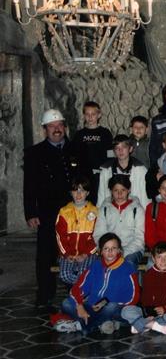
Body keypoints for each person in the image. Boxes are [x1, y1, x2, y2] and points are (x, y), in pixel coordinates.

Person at [24, 109, 88, 308]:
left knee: (75, 248)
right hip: (47, 212)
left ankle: (76, 291)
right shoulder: (35, 153)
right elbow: (29, 185)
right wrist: (31, 212)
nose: (57, 129)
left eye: (59, 125)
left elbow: (86, 178)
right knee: (46, 253)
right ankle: (45, 293)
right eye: (52, 126)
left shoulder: (77, 149)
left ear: (65, 127)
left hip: (76, 210)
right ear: (45, 129)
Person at [57, 233, 139, 335]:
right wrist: (79, 306)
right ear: (100, 251)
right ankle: (101, 322)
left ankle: (83, 325)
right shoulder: (95, 266)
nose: (110, 252)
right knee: (66, 303)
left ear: (119, 250)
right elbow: (78, 287)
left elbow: (133, 297)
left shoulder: (127, 268)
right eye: (106, 248)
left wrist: (104, 303)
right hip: (92, 306)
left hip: (113, 307)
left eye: (113, 248)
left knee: (111, 307)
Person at [120, 241, 166, 335]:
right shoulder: (149, 275)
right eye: (159, 257)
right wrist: (149, 313)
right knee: (126, 310)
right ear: (153, 258)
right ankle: (157, 326)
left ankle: (143, 324)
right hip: (152, 314)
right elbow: (145, 299)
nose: (163, 261)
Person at [94, 175, 146, 267]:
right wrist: (109, 250)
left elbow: (140, 238)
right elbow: (99, 233)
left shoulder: (137, 209)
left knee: (127, 264)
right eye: (116, 190)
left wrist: (122, 252)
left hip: (133, 250)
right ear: (111, 191)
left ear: (129, 190)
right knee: (98, 265)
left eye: (123, 190)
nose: (119, 194)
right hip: (109, 249)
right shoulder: (104, 209)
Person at [55, 175, 98, 286]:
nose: (78, 194)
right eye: (75, 191)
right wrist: (67, 254)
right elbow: (60, 236)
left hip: (87, 254)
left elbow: (97, 236)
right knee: (65, 275)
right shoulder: (64, 212)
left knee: (84, 273)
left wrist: (85, 254)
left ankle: (77, 293)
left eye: (82, 191)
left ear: (87, 193)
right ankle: (83, 290)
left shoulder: (95, 211)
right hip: (68, 254)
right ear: (71, 192)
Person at [70, 101, 113, 204]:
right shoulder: (79, 135)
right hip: (83, 177)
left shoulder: (105, 133)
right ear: (84, 115)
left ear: (99, 115)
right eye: (87, 114)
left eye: (93, 114)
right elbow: (73, 156)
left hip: (101, 175)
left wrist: (106, 170)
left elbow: (111, 155)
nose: (90, 117)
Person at [97, 134, 149, 209]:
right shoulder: (106, 170)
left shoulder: (141, 170)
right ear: (114, 151)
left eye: (124, 147)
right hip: (112, 211)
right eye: (117, 148)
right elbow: (101, 197)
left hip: (134, 211)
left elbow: (145, 199)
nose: (120, 150)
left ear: (130, 149)